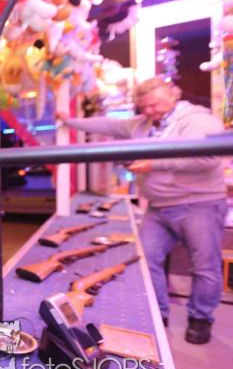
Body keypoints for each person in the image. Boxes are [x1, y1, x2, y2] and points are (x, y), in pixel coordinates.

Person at [58, 76, 227, 344]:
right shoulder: (142, 123)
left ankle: (200, 318)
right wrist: (69, 121)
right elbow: (107, 124)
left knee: (205, 267)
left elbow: (207, 157)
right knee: (146, 261)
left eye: (154, 105)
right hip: (158, 207)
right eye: (143, 107)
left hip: (199, 205)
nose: (149, 111)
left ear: (173, 95)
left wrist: (154, 164)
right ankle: (158, 315)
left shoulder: (198, 120)